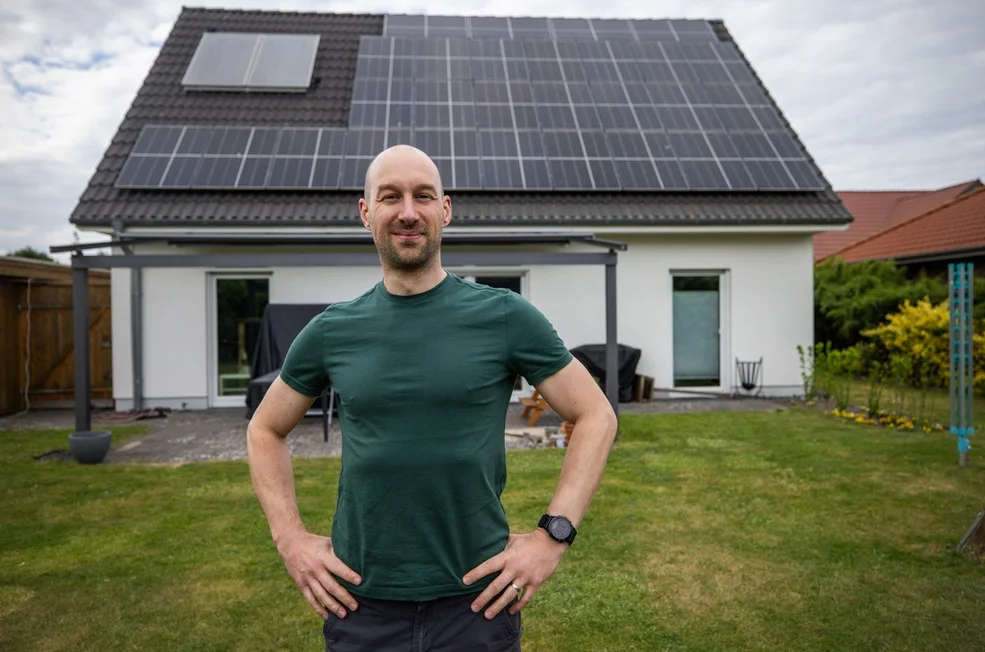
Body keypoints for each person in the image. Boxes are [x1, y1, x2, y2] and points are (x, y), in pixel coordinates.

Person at [246, 145, 618, 651]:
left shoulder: (505, 316)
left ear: (445, 209)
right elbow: (264, 430)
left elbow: (595, 413)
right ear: (365, 213)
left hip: (477, 602)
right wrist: (289, 538)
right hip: (360, 604)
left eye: (423, 196)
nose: (407, 212)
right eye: (390, 197)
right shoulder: (332, 331)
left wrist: (553, 537)